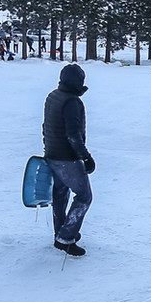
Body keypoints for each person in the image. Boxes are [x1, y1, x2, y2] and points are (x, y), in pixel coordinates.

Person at [42, 63, 96, 256]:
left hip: (52, 155)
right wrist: (86, 158)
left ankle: (61, 232)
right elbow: (73, 135)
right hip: (68, 159)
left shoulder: (53, 96)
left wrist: (47, 149)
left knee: (60, 195)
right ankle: (65, 237)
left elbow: (45, 126)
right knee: (84, 196)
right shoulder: (72, 102)